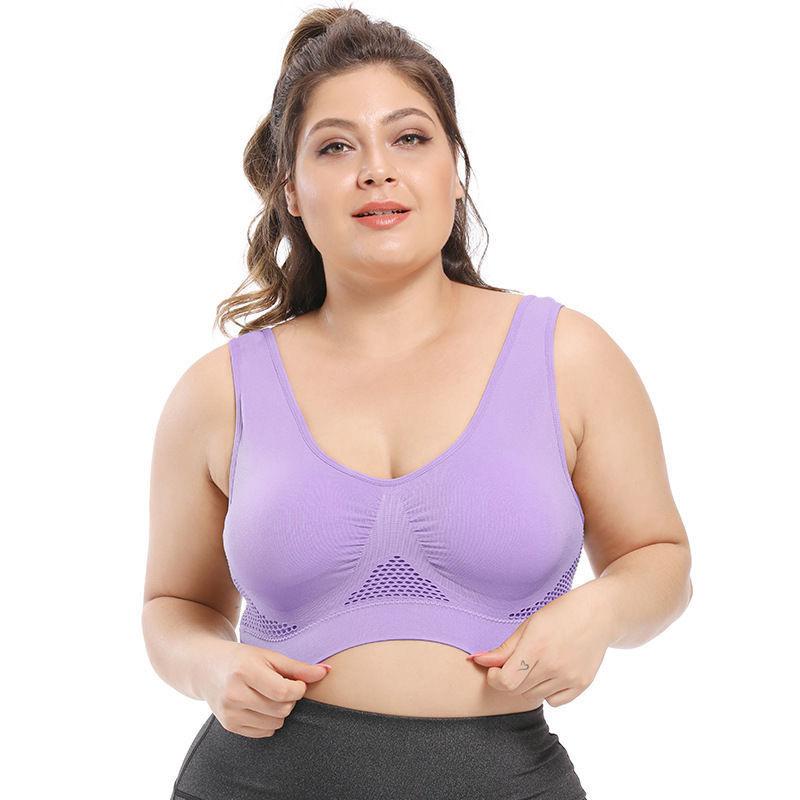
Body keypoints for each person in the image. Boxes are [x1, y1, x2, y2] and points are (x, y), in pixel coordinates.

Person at [142, 7, 693, 799]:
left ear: (454, 170)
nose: (377, 170)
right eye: (336, 147)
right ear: (290, 188)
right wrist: (209, 666)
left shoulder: (568, 357)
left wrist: (600, 613)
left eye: (409, 137)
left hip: (507, 778)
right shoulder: (218, 391)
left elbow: (661, 560)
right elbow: (174, 604)